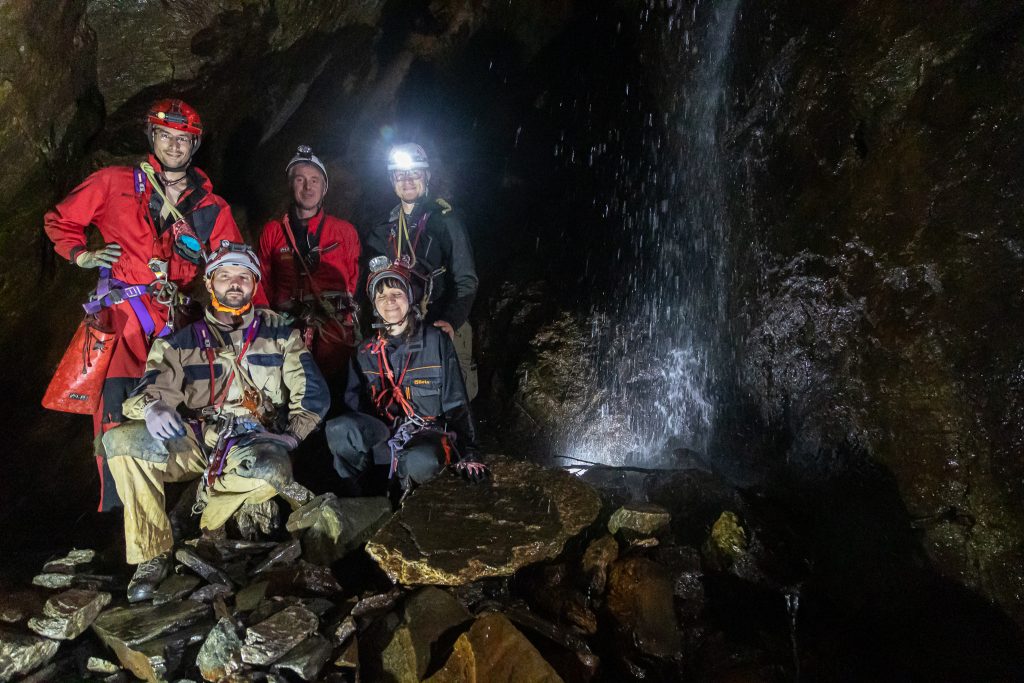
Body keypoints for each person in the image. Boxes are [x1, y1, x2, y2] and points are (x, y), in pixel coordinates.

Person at [43, 98, 264, 511]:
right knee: (115, 409)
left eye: (184, 139)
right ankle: (122, 512)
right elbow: (60, 219)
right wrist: (79, 254)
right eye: (166, 136)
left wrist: (259, 326)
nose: (174, 146)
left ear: (194, 145)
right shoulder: (114, 183)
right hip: (122, 318)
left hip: (176, 319)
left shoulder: (210, 207)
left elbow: (237, 269)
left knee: (186, 408)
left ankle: (188, 504)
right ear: (152, 137)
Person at [101, 242, 329, 602]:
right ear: (210, 284)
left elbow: (313, 394)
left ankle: (209, 517)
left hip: (252, 440)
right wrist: (153, 408)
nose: (234, 284)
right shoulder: (180, 342)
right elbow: (152, 387)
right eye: (225, 276)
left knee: (271, 471)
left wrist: (292, 437)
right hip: (197, 439)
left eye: (243, 277)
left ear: (254, 286)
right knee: (120, 443)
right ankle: (152, 553)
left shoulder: (281, 337)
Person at [325, 257, 487, 495]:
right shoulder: (364, 352)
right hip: (385, 432)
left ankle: (409, 496)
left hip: (426, 434)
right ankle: (360, 496)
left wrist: (470, 452)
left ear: (409, 298)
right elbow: (354, 407)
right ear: (374, 304)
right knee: (339, 429)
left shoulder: (436, 340)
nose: (389, 301)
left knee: (420, 461)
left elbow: (456, 401)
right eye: (380, 295)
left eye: (396, 293)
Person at [365, 143, 479, 400]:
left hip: (443, 321)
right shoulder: (384, 230)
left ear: (427, 175)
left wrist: (451, 320)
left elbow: (466, 279)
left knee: (453, 397)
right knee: (405, 397)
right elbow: (373, 283)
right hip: (402, 327)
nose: (407, 180)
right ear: (392, 179)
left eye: (414, 173)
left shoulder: (446, 220)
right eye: (400, 174)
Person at [257, 145, 361, 384]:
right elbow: (262, 278)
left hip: (332, 331)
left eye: (315, 180)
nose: (308, 186)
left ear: (325, 188)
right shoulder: (273, 232)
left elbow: (353, 280)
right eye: (300, 179)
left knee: (335, 390)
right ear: (289, 184)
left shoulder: (344, 231)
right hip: (287, 328)